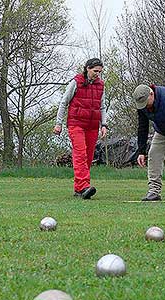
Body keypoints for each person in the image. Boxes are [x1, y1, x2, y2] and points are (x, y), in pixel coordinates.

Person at [53, 58, 107, 199]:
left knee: (88, 157)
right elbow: (63, 102)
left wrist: (104, 125)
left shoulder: (101, 85)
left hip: (92, 126)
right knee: (80, 154)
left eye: (100, 72)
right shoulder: (75, 83)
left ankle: (79, 189)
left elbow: (102, 106)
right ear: (87, 69)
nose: (97, 74)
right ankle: (84, 186)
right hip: (76, 124)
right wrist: (58, 123)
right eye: (95, 71)